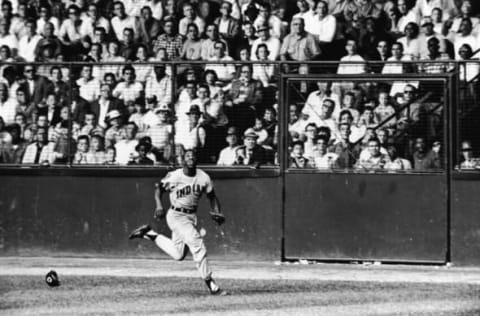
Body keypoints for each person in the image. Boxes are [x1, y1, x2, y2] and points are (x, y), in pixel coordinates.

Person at [128, 149, 227, 295]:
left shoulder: (203, 177)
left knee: (178, 254)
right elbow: (159, 189)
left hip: (191, 217)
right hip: (176, 215)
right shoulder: (175, 176)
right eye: (187, 156)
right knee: (197, 243)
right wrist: (159, 205)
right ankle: (210, 283)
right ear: (183, 160)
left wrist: (218, 212)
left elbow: (212, 197)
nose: (191, 158)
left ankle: (149, 233)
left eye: (193, 156)